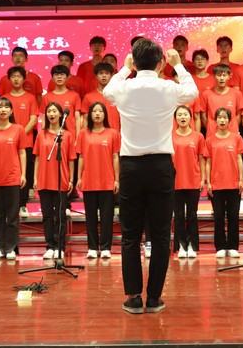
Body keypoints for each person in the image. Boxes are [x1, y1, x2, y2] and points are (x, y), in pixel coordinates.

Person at [103, 38, 198, 314]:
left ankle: (133, 297)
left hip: (131, 168)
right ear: (160, 63)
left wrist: (124, 68)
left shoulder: (123, 87)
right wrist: (178, 66)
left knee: (130, 235)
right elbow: (192, 92)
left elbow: (107, 91)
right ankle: (154, 298)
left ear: (134, 62)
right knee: (160, 235)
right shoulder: (168, 87)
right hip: (160, 167)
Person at [0, 98, 28, 260]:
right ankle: (0, 248)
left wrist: (23, 174)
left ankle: (11, 248)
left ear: (11, 111)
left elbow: (22, 152)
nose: (3, 110)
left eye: (6, 107)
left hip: (12, 177)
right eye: (0, 107)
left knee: (13, 216)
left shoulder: (18, 129)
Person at [76, 101, 121, 259]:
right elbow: (81, 157)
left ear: (105, 115)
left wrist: (116, 179)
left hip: (107, 181)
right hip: (89, 180)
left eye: (100, 111)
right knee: (90, 217)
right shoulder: (83, 133)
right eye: (94, 111)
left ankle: (106, 247)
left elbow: (115, 157)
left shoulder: (112, 133)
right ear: (89, 115)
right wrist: (79, 177)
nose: (97, 114)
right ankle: (92, 247)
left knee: (107, 217)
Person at [33, 102, 76, 260]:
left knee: (60, 215)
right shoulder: (41, 135)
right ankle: (50, 246)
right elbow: (38, 158)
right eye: (49, 111)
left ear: (60, 114)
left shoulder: (67, 135)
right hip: (44, 179)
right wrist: (35, 178)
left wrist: (71, 179)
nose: (51, 114)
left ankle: (60, 247)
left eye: (54, 111)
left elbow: (71, 159)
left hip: (61, 179)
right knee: (47, 216)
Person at [204, 108, 243, 259]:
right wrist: (209, 182)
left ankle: (233, 247)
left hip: (233, 184)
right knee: (219, 217)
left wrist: (241, 179)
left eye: (225, 118)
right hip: (216, 185)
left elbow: (239, 160)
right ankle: (220, 247)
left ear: (230, 121)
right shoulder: (210, 140)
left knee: (233, 216)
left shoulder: (236, 138)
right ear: (215, 121)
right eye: (219, 118)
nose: (222, 120)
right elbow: (208, 162)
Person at [172, 105, 205, 258]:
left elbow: (201, 158)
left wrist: (202, 178)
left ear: (191, 117)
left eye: (185, 114)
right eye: (179, 115)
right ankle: (181, 246)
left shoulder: (198, 136)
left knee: (192, 215)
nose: (183, 117)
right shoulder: (170, 136)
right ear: (175, 118)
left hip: (193, 180)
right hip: (175, 182)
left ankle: (191, 245)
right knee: (178, 216)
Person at [5, 66, 38, 218]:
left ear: (24, 79)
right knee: (10, 171)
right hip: (7, 142)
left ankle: (23, 205)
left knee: (25, 170)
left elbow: (33, 119)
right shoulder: (5, 98)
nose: (16, 79)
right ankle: (10, 205)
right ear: (9, 79)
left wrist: (20, 134)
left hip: (26, 140)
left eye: (19, 76)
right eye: (13, 76)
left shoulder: (30, 98)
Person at [200, 63, 243, 138]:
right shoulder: (206, 94)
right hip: (212, 133)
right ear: (214, 76)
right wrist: (210, 128)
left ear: (229, 76)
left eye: (224, 75)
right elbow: (203, 116)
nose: (222, 78)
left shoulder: (237, 93)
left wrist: (233, 128)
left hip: (232, 133)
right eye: (219, 75)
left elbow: (239, 115)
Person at [41, 65, 81, 141]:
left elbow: (77, 118)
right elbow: (44, 119)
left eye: (62, 74)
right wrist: (43, 137)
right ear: (52, 78)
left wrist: (77, 138)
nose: (59, 77)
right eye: (56, 74)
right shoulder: (46, 97)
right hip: (51, 138)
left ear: (67, 77)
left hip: (70, 137)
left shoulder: (75, 96)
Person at [81, 62, 120, 131]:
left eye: (107, 73)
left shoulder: (118, 96)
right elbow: (85, 120)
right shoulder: (88, 97)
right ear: (96, 76)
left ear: (111, 76)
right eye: (101, 73)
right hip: (94, 135)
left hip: (115, 134)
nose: (104, 76)